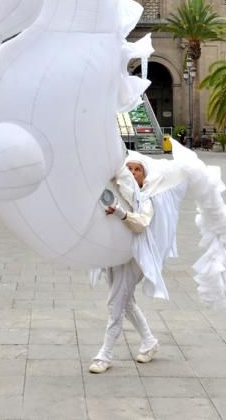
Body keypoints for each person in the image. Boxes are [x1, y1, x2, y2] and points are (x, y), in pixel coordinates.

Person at [88, 160, 159, 374]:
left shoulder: (146, 198)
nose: (133, 172)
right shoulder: (116, 193)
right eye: (129, 169)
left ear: (144, 176)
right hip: (113, 255)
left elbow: (141, 223)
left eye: (138, 170)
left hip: (133, 258)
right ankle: (149, 342)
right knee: (126, 302)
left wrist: (120, 213)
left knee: (116, 303)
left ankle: (105, 355)